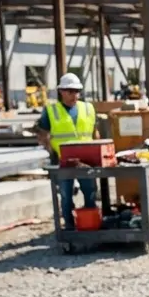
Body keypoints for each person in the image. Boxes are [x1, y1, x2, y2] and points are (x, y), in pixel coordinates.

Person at [35, 73, 97, 230]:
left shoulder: (88, 108)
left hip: (86, 161)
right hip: (63, 161)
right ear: (61, 91)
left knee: (90, 193)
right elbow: (43, 134)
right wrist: (51, 152)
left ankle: (90, 225)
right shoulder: (51, 111)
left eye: (76, 91)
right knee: (66, 196)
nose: (74, 95)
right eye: (70, 91)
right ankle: (69, 227)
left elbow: (95, 134)